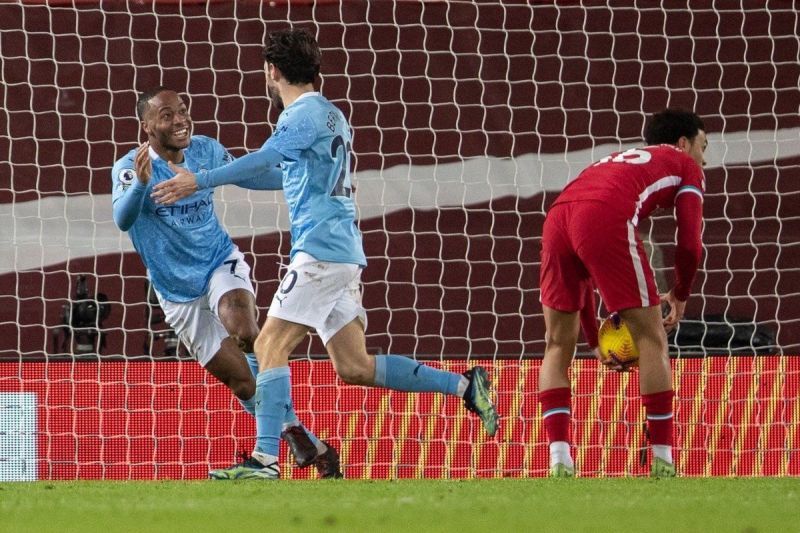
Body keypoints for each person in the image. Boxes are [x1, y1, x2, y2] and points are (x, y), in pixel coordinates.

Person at [151, 28, 500, 480]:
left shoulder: (300, 116)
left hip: (320, 251)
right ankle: (465, 385)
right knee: (354, 366)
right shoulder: (331, 114)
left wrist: (199, 179)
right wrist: (223, 174)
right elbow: (280, 172)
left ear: (271, 71)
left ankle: (264, 459)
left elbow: (264, 158)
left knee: (270, 343)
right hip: (342, 250)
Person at [111, 86, 342, 479]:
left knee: (246, 330)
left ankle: (266, 456)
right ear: (146, 126)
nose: (180, 120)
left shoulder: (206, 150)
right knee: (241, 381)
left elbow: (255, 178)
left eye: (183, 110)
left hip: (220, 262)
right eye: (167, 115)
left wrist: (302, 176)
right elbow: (123, 219)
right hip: (177, 293)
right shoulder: (131, 168)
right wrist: (140, 186)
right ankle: (299, 435)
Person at [538, 109, 707, 478]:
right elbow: (690, 244)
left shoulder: (616, 161)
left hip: (558, 216)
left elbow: (581, 276)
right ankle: (663, 459)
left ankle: (559, 460)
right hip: (604, 215)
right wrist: (680, 293)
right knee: (652, 336)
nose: (703, 157)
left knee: (555, 344)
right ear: (682, 143)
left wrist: (593, 341)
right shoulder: (684, 164)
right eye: (702, 146)